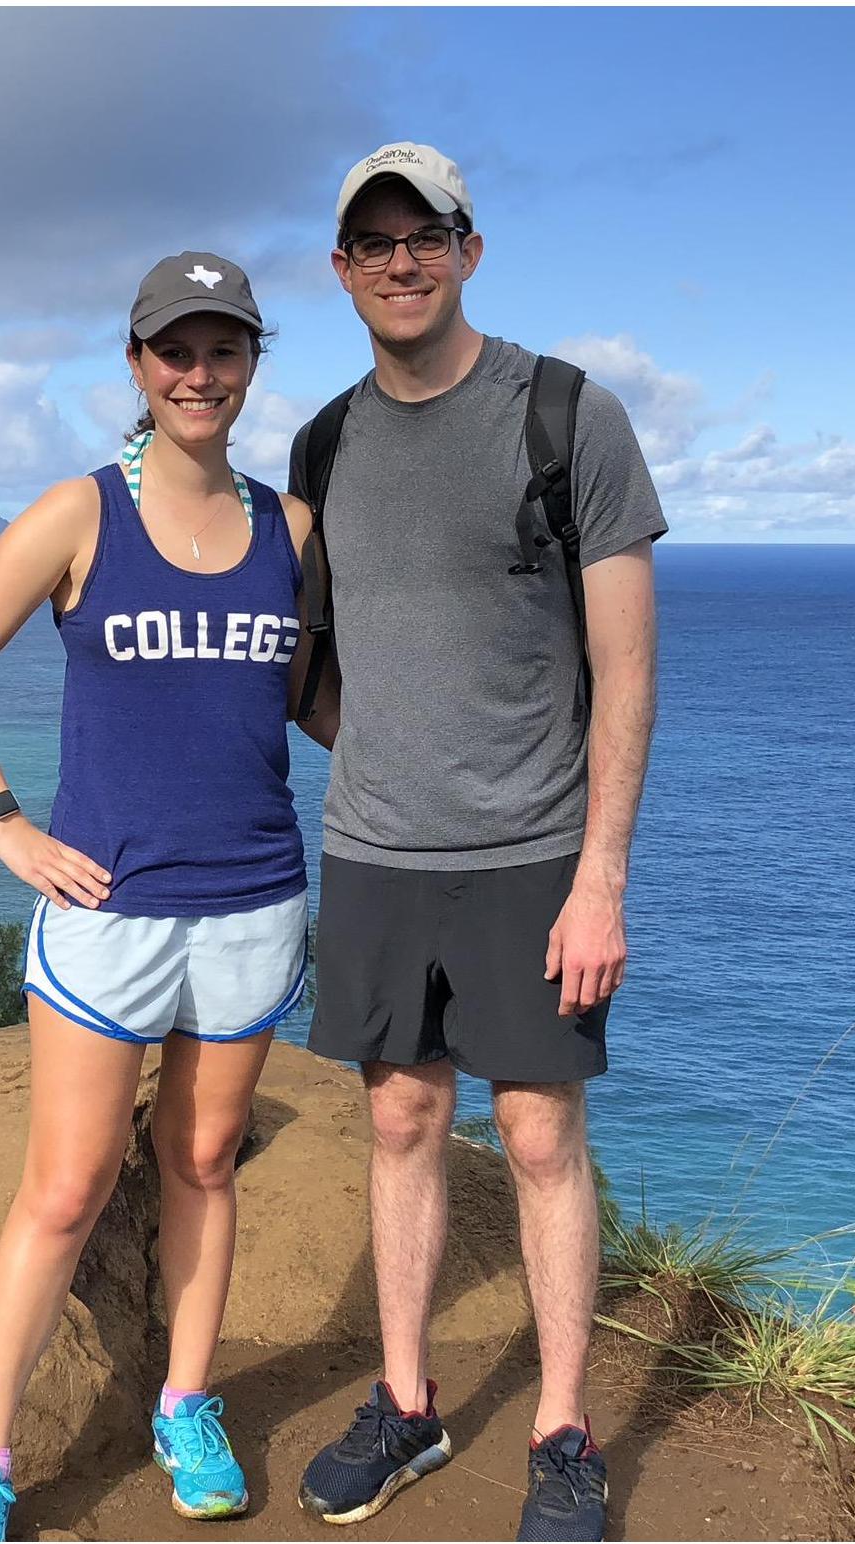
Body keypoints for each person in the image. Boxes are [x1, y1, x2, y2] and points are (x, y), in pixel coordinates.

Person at [288, 143, 666, 1543]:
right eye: (372, 241)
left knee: (538, 1130)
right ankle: (409, 1402)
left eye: (425, 233)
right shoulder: (322, 442)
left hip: (533, 855)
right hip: (380, 850)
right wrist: (388, 749)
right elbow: (315, 662)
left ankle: (565, 1434)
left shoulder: (567, 415)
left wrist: (602, 875)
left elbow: (626, 671)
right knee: (399, 1115)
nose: (401, 260)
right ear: (339, 269)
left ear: (469, 247)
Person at [0, 251, 314, 1542]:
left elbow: (311, 705)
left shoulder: (295, 529)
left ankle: (184, 1402)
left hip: (255, 900)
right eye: (174, 351)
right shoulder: (78, 513)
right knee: (68, 1185)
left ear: (253, 362)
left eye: (225, 350)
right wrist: (6, 827)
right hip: (112, 907)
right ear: (138, 366)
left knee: (203, 1160)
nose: (200, 375)